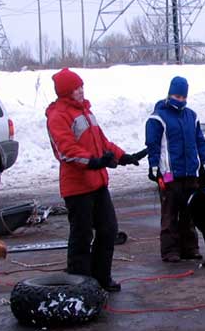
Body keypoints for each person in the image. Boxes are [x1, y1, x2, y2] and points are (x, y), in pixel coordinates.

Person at [45, 68, 143, 292]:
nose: (80, 91)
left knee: (108, 230)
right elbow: (66, 151)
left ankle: (101, 277)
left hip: (98, 184)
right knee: (81, 236)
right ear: (65, 92)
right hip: (77, 187)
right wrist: (94, 162)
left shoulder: (87, 112)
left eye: (81, 87)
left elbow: (103, 143)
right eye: (76, 88)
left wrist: (123, 156)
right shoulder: (58, 116)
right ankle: (80, 284)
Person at [145, 76, 205, 263]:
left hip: (190, 174)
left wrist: (204, 163)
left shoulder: (192, 116)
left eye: (183, 97)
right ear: (170, 94)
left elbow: (199, 141)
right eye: (177, 96)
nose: (180, 100)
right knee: (170, 213)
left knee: (189, 212)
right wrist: (154, 166)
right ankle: (170, 250)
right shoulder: (157, 118)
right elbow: (153, 144)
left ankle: (190, 247)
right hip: (170, 174)